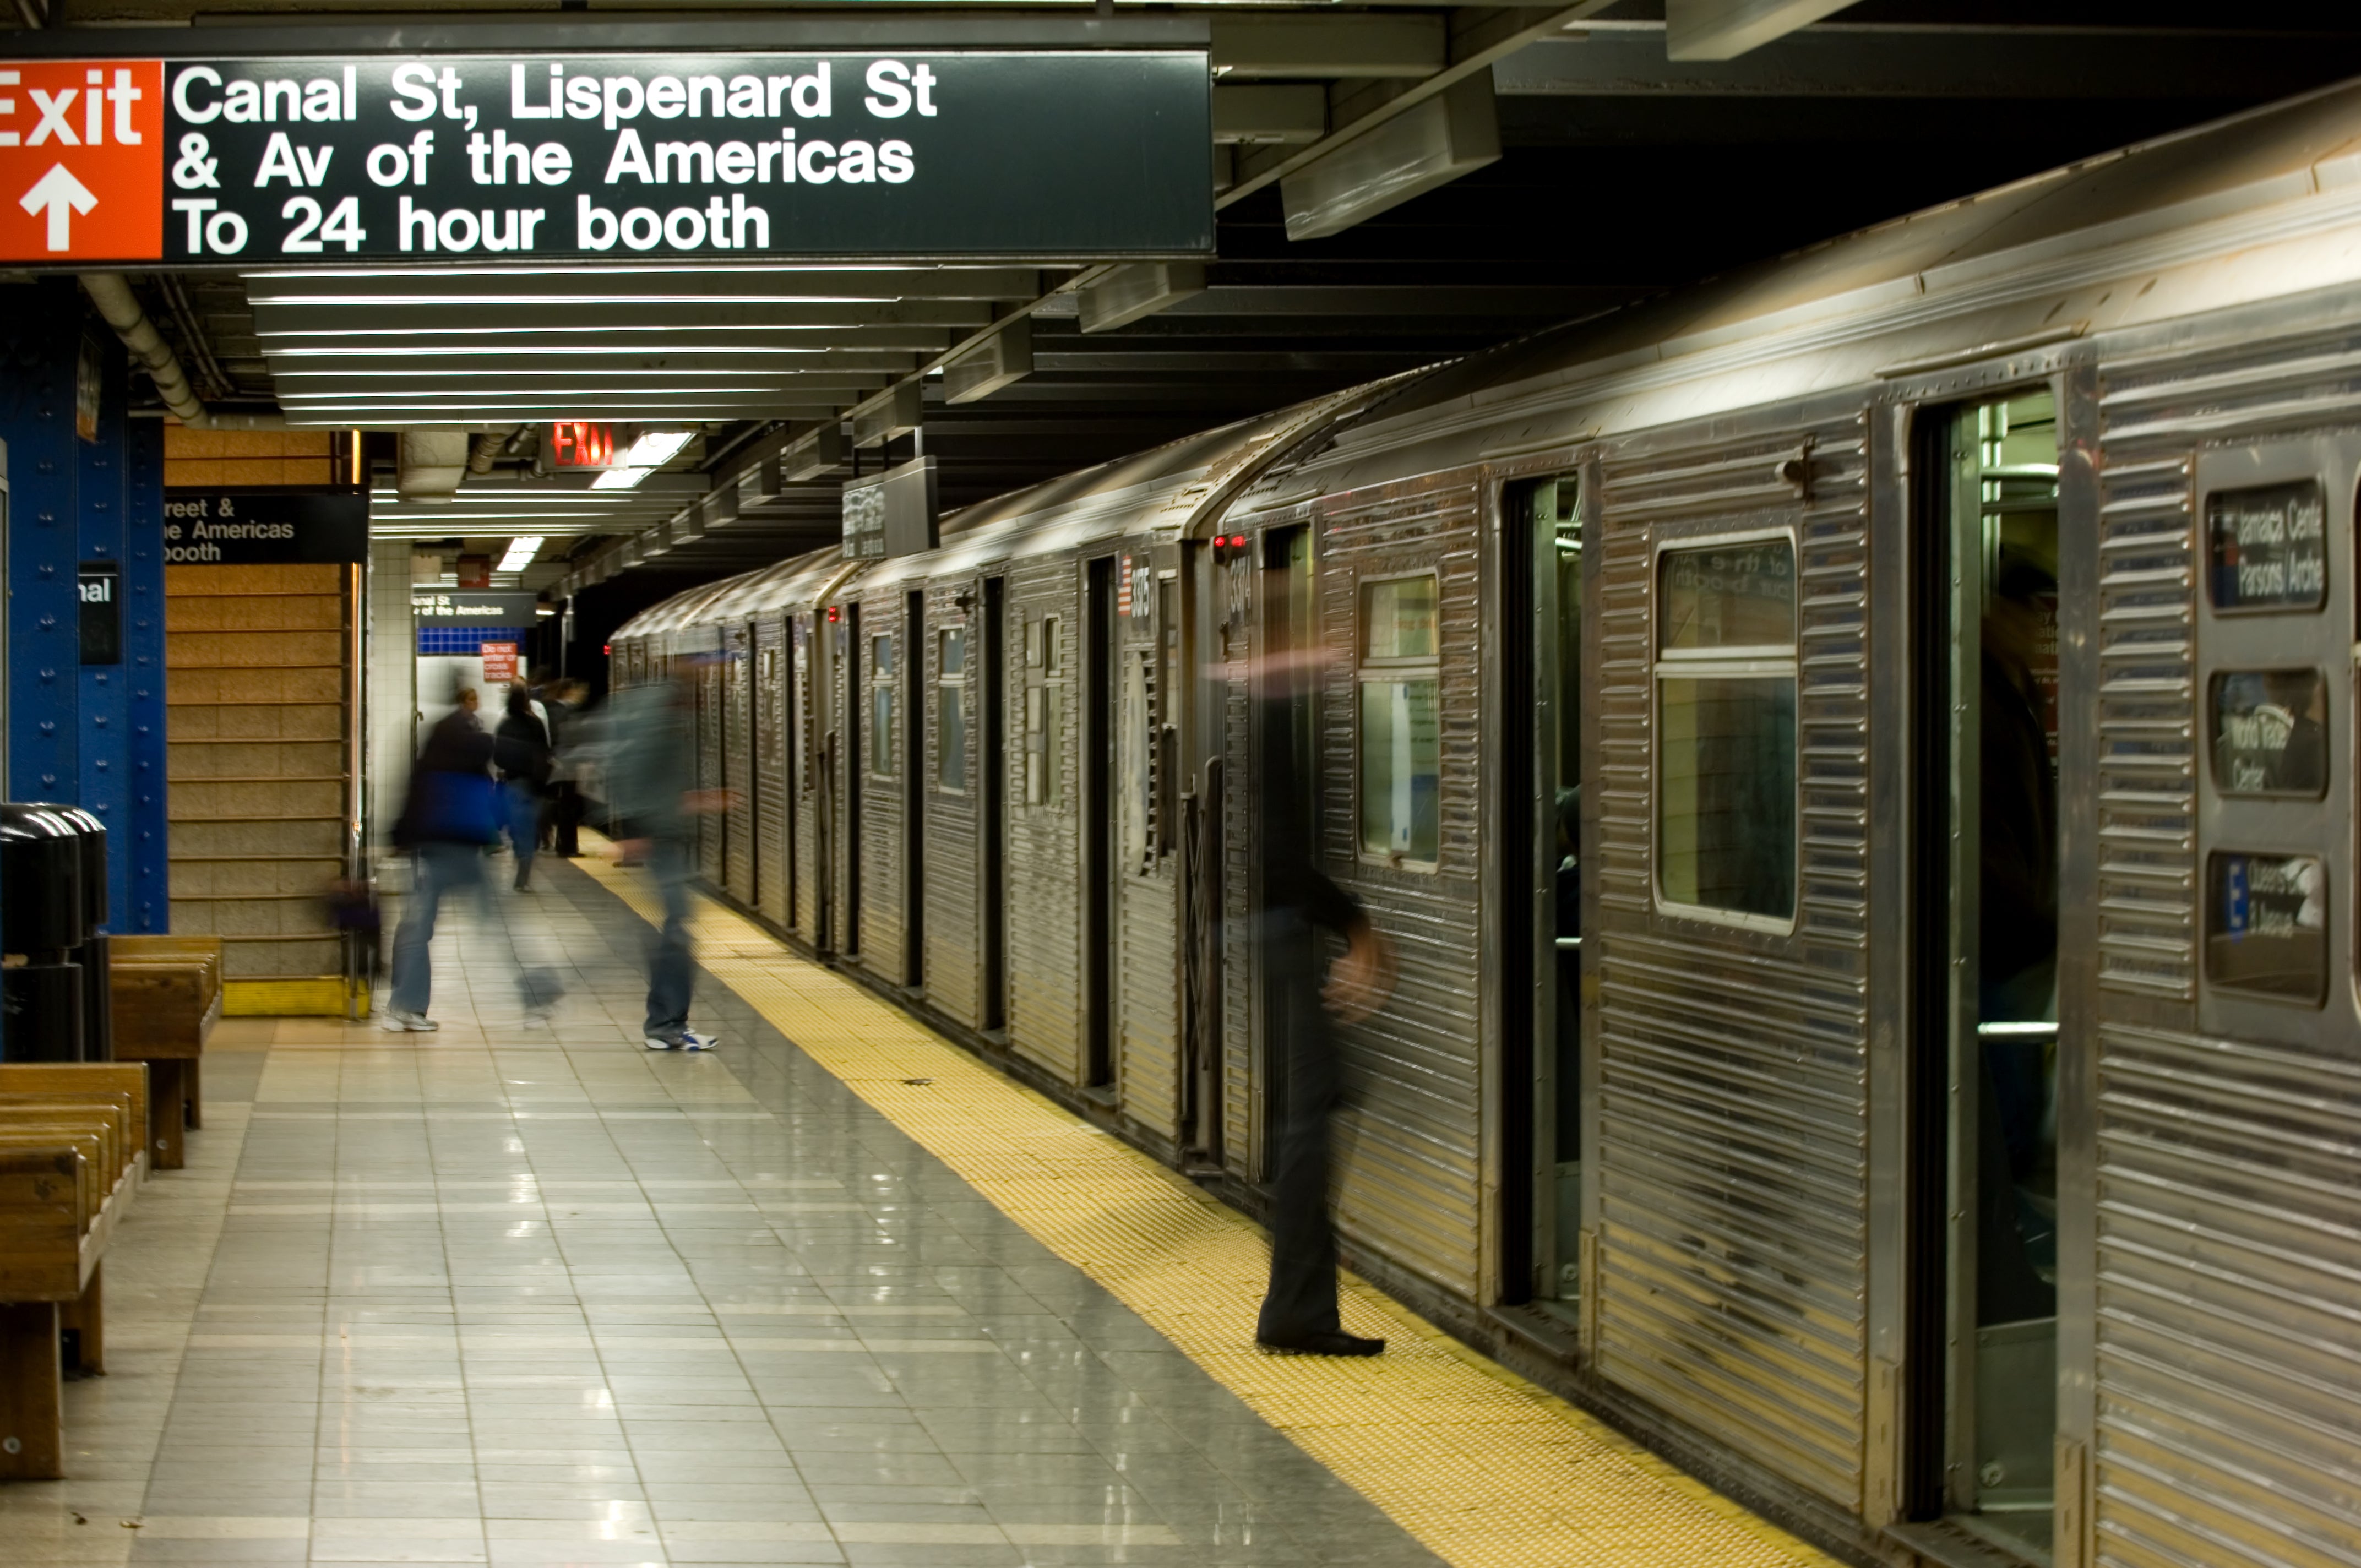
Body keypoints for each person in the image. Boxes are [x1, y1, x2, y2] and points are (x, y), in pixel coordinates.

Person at [1253, 646, 1397, 1357]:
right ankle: (1295, 1313)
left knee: (1316, 1114)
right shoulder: (1272, 713)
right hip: (1288, 933)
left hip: (1283, 931)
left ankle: (1299, 1307)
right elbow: (1279, 855)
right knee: (1311, 1123)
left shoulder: (1269, 707)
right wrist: (1354, 924)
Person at [385, 685, 562, 1032]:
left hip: (434, 852)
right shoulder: (473, 751)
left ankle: (405, 1007)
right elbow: (493, 790)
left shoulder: (435, 755)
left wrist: (400, 839)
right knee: (497, 927)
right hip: (464, 851)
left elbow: (412, 800)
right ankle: (536, 997)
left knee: (416, 930)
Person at [602, 665, 720, 1052]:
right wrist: (636, 830)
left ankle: (667, 1022)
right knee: (676, 928)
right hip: (658, 838)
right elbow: (633, 767)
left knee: (675, 926)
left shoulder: (660, 711)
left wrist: (695, 800)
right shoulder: (660, 716)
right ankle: (666, 1024)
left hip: (659, 832)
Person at [493, 686, 553, 891]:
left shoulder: (505, 726)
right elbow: (546, 753)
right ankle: (523, 875)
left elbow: (498, 758)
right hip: (535, 785)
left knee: (517, 827)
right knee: (528, 828)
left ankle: (521, 856)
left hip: (514, 783)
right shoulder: (536, 724)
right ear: (527, 703)